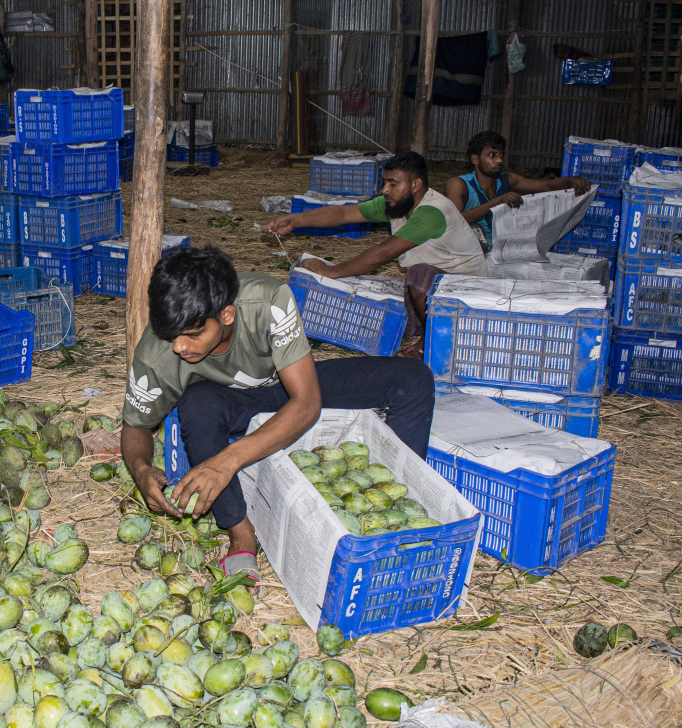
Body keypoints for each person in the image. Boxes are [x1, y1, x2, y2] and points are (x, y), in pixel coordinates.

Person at [120, 246, 435, 586]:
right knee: (197, 404)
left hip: (289, 387)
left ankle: (400, 503)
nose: (180, 347)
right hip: (229, 404)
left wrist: (224, 463)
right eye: (172, 336)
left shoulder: (268, 301)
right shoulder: (158, 352)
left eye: (193, 334)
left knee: (412, 379)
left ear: (226, 315)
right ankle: (241, 533)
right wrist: (140, 469)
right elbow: (135, 426)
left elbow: (306, 403)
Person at [263, 151, 486, 357]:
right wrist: (293, 220)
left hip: (467, 292)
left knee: (419, 274)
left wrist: (333, 271)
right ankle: (423, 325)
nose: (384, 190)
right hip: (437, 286)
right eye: (385, 183)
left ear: (416, 184)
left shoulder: (431, 211)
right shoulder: (398, 204)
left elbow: (384, 253)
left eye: (392, 184)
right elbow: (343, 213)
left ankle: (430, 344)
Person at [445, 130, 591, 250]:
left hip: (504, 249)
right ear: (475, 159)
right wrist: (498, 201)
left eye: (501, 155)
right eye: (492, 155)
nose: (499, 160)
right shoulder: (459, 183)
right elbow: (455, 221)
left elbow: (545, 186)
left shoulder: (507, 179)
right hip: (473, 251)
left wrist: (570, 181)